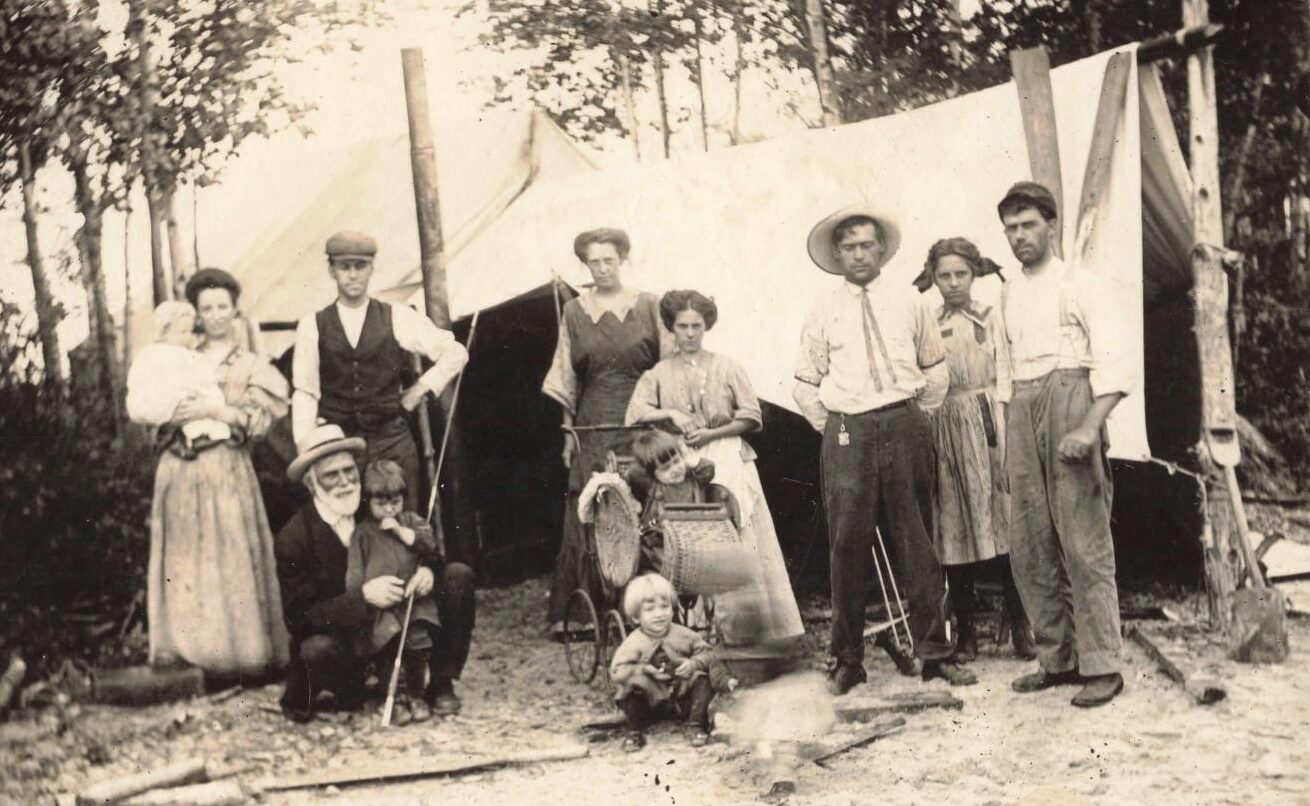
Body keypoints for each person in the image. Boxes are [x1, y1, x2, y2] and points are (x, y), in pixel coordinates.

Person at [792, 204, 976, 695]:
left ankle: (934, 654)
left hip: (903, 422)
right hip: (848, 431)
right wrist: (837, 426)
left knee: (916, 539)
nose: (859, 254)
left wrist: (916, 418)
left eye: (867, 245)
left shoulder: (909, 301)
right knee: (846, 545)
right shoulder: (822, 309)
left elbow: (935, 369)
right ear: (837, 253)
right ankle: (847, 660)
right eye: (849, 246)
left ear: (881, 249)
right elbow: (804, 382)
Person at [993, 182, 1134, 708]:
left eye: (1029, 224)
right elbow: (1003, 376)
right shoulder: (1007, 293)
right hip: (1022, 407)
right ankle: (1057, 658)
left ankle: (1103, 665)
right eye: (1011, 228)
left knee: (1083, 542)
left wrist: (1089, 427)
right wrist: (1007, 445)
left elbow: (1116, 364)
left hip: (1071, 398)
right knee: (1030, 545)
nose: (1019, 236)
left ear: (1051, 226)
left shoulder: (1081, 284)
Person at [127, 268, 290, 678]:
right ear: (196, 314)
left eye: (222, 306)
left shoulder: (250, 364)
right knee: (186, 560)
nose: (215, 315)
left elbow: (260, 422)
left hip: (225, 467)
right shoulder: (173, 354)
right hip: (180, 467)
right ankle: (191, 651)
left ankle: (239, 655)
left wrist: (217, 410)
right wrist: (171, 414)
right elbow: (150, 409)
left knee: (230, 556)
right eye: (207, 308)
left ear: (235, 310)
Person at [626, 290, 804, 642]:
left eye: (697, 325)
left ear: (706, 326)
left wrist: (712, 433)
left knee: (739, 532)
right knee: (695, 540)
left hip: (726, 455)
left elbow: (751, 416)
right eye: (682, 326)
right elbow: (636, 412)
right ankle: (703, 628)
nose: (690, 333)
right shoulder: (659, 373)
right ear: (671, 327)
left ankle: (757, 628)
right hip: (685, 461)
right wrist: (671, 413)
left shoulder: (727, 366)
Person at [274, 424, 476, 723]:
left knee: (458, 576)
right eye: (332, 475)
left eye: (349, 471)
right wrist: (364, 597)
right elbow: (300, 617)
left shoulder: (376, 501)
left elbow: (422, 540)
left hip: (404, 621)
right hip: (350, 642)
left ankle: (440, 684)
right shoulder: (294, 538)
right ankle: (361, 690)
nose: (345, 482)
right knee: (316, 650)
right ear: (311, 483)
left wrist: (427, 569)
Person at [542, 227, 671, 636]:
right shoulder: (574, 311)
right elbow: (566, 377)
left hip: (642, 420)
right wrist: (568, 434)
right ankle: (587, 613)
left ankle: (645, 606)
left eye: (609, 260)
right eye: (593, 262)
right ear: (585, 265)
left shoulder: (649, 305)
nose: (602, 268)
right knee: (592, 506)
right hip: (593, 423)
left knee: (643, 508)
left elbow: (668, 367)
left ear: (623, 260)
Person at [915, 238, 1035, 662]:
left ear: (974, 274)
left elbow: (1007, 371)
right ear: (933, 278)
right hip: (945, 423)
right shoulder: (926, 321)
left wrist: (1007, 426)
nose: (953, 283)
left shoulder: (992, 314)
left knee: (1004, 521)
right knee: (953, 525)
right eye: (944, 275)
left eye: (961, 274)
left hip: (988, 422)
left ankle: (1021, 626)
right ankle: (966, 633)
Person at [291, 230, 468, 510]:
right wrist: (306, 448)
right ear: (331, 270)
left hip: (392, 442)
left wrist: (420, 389)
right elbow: (305, 392)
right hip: (342, 448)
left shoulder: (396, 316)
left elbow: (455, 352)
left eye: (360, 266)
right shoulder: (312, 325)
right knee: (352, 524)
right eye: (344, 267)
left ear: (371, 268)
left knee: (403, 520)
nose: (353, 275)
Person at [345, 459, 446, 725]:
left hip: (413, 604)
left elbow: (430, 546)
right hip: (383, 609)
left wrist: (401, 531)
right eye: (381, 503)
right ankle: (392, 698)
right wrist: (366, 593)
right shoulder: (362, 534)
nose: (390, 509)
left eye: (395, 502)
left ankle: (416, 695)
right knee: (388, 651)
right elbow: (354, 579)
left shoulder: (411, 521)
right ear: (368, 501)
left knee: (417, 647)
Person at [609, 573, 717, 752]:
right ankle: (635, 732)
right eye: (650, 609)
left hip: (681, 698)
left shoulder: (683, 635)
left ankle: (695, 724)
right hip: (650, 701)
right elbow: (617, 671)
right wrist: (643, 670)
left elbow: (708, 652)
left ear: (672, 609)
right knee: (631, 690)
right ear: (636, 617)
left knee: (701, 679)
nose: (659, 614)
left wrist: (693, 663)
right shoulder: (634, 642)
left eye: (664, 607)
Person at [127, 300, 231, 454]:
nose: (189, 337)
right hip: (167, 402)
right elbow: (144, 384)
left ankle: (207, 434)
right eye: (183, 332)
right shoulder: (152, 354)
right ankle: (187, 437)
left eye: (190, 331)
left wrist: (213, 379)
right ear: (164, 332)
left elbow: (202, 377)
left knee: (212, 395)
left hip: (193, 402)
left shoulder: (189, 354)